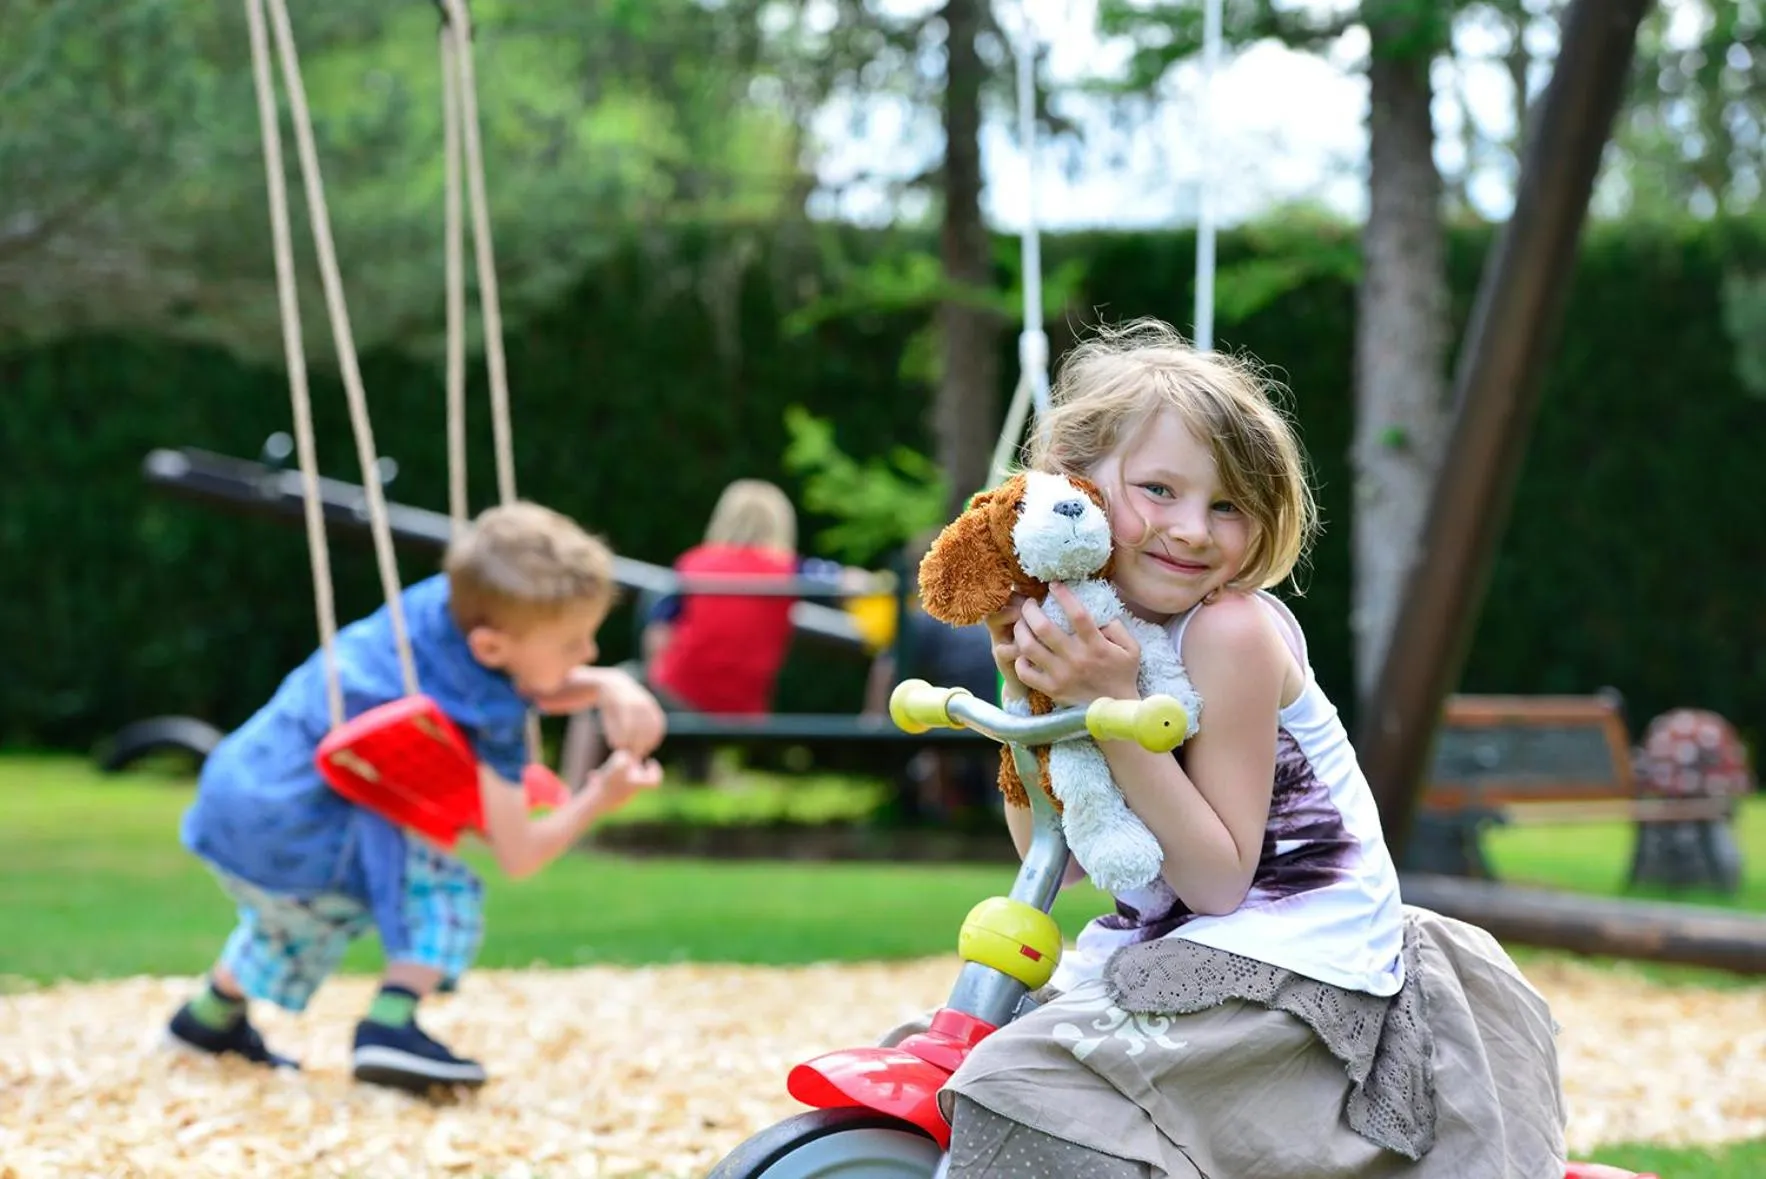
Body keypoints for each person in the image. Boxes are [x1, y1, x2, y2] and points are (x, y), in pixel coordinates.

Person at [925, 319, 1567, 1176]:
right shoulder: (1098, 628)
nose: (1193, 529)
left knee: (1021, 1081)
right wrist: (1029, 686)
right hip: (1184, 949)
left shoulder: (1230, 631)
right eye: (1159, 489)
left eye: (1227, 505)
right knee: (968, 1047)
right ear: (1073, 485)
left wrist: (1111, 706)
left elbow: (1220, 880)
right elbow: (1061, 860)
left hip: (1291, 958)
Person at [167, 501, 667, 1093]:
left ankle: (207, 1018)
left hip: (235, 795)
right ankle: (389, 1026)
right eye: (574, 643)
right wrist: (597, 798)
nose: (588, 654)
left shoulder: (438, 607)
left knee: (296, 916)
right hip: (304, 823)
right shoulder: (494, 716)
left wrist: (606, 683)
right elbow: (520, 854)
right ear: (489, 648)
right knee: (440, 891)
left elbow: (528, 676)